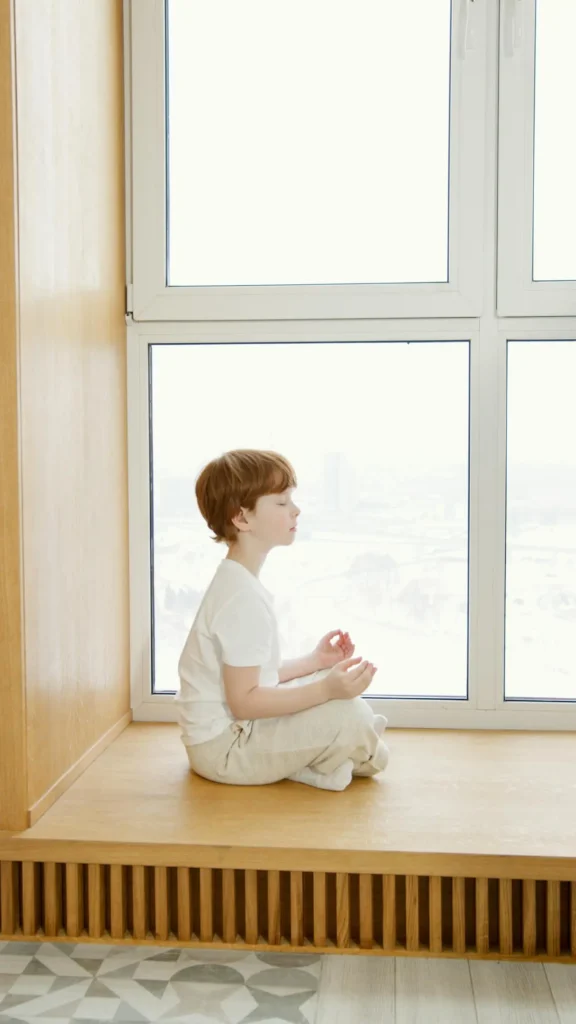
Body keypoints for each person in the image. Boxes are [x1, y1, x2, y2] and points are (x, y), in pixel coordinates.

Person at [175, 449, 389, 791]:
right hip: (224, 752)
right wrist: (325, 690)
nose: (295, 509)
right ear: (241, 518)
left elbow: (256, 676)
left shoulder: (237, 581)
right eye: (281, 502)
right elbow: (244, 702)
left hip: (228, 736)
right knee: (351, 715)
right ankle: (350, 752)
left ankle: (339, 749)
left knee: (328, 685)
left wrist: (315, 662)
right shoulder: (242, 599)